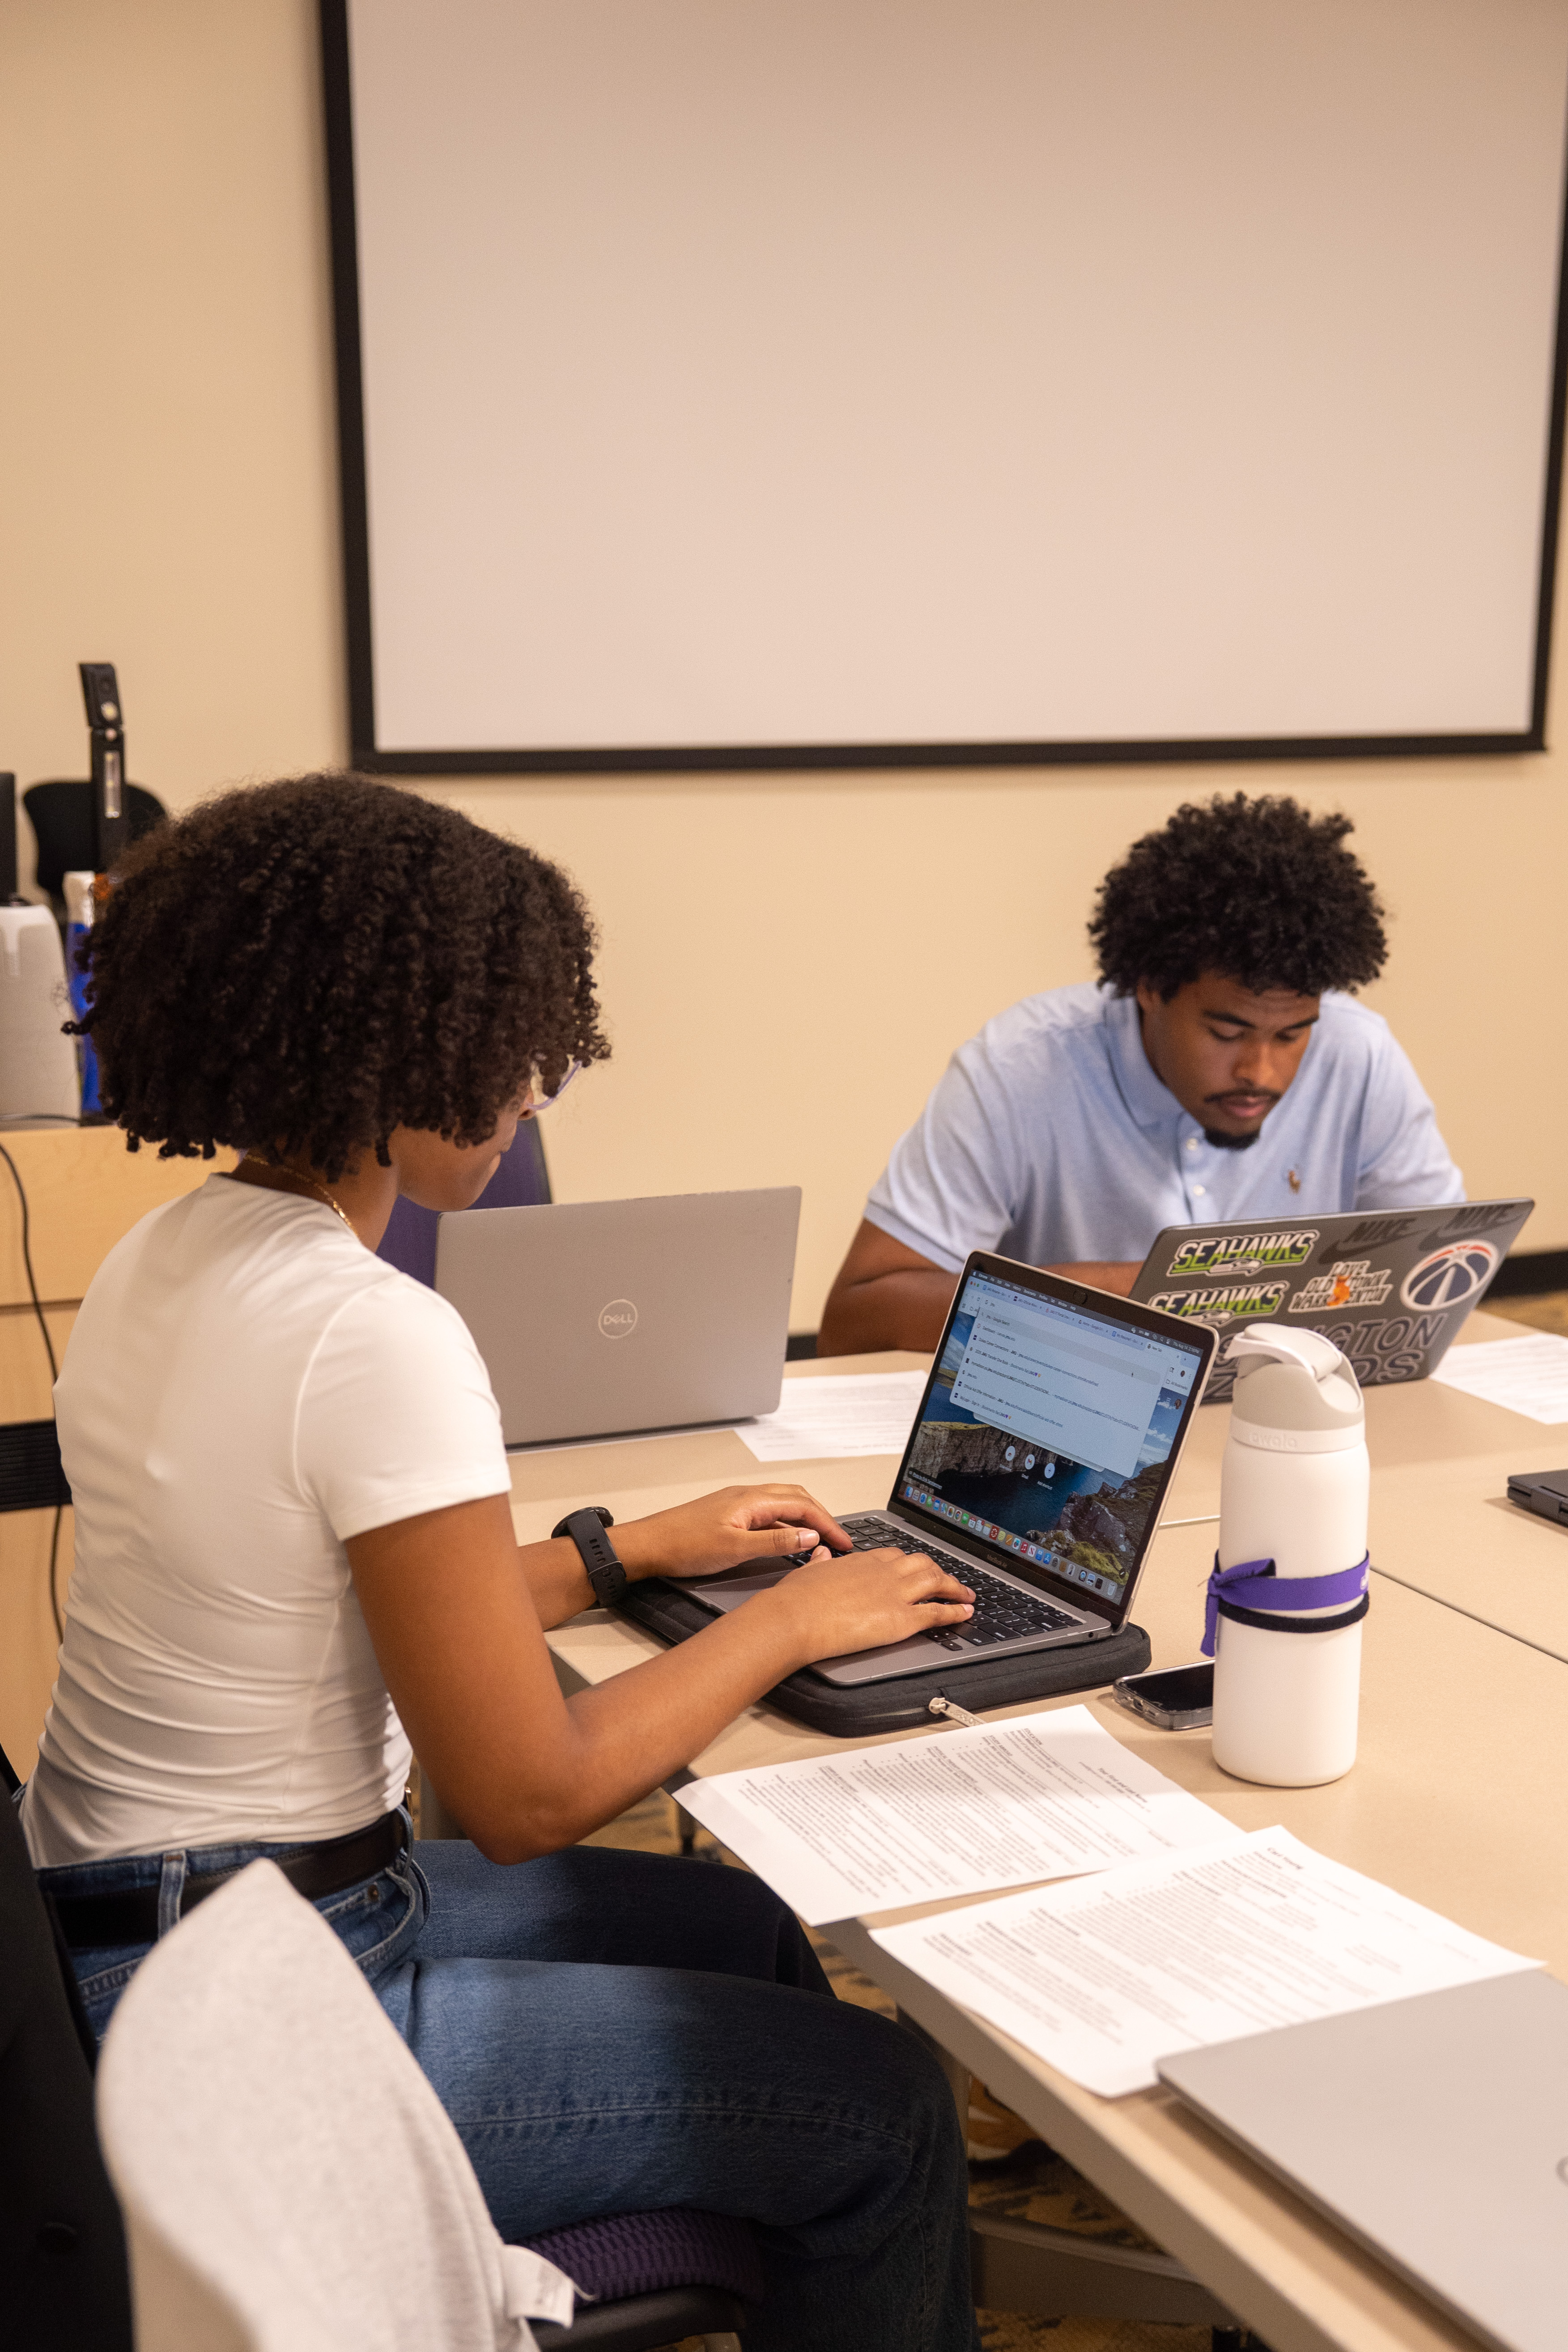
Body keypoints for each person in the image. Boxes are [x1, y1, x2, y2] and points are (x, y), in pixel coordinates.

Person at [19, 775, 981, 2352]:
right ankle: (809, 2212)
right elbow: (527, 1792)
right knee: (883, 2109)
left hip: (133, 1937)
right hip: (267, 2008)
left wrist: (618, 1554)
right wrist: (797, 1614)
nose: (534, 1089)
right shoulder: (374, 1329)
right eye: (505, 1046)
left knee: (741, 1931)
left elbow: (317, 1589)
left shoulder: (173, 1251)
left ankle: (773, 2238)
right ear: (385, 1051)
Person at [819, 792, 1462, 1357]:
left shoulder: (1358, 1051)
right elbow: (855, 1322)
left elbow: (1441, 1268)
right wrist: (1127, 1291)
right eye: (1226, 1032)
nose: (1259, 1070)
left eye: (1291, 1035)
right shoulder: (1020, 1067)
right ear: (1150, 990)